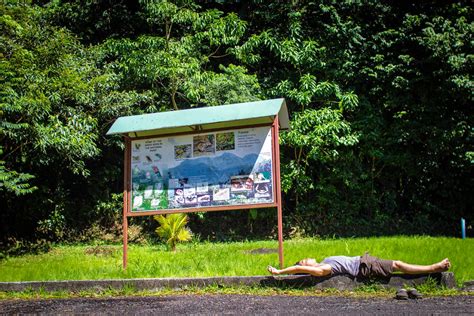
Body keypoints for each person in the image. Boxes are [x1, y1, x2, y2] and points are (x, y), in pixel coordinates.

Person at [267, 253, 451, 279]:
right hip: (364, 267)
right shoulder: (322, 269)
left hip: (365, 260)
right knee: (398, 264)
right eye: (303, 261)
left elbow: (300, 268)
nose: (306, 258)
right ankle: (434, 268)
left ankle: (434, 268)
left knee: (397, 264)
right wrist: (280, 272)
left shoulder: (324, 262)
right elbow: (299, 270)